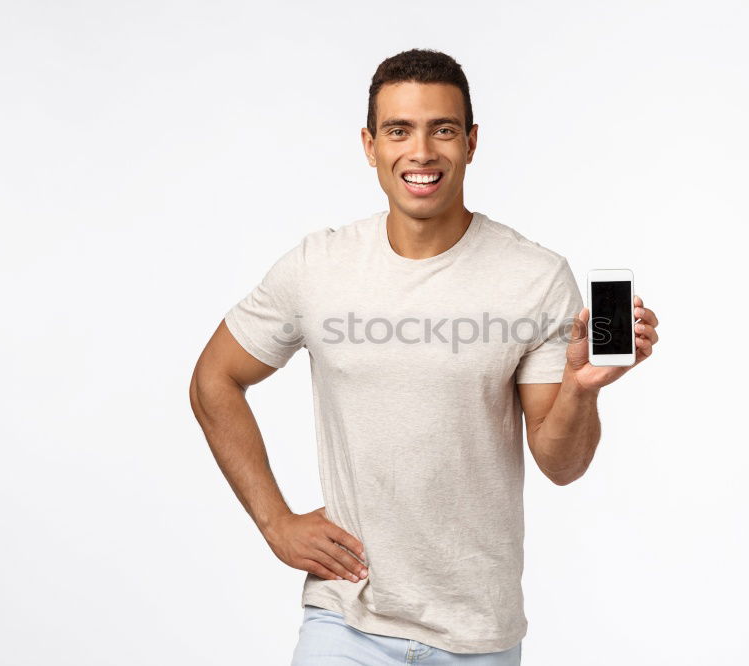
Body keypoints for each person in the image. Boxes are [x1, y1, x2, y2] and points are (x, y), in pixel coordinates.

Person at [189, 47, 659, 665]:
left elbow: (561, 463)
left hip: (477, 637)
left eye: (442, 129)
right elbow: (214, 380)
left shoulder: (535, 277)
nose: (421, 152)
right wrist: (275, 521)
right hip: (346, 620)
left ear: (470, 141)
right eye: (398, 130)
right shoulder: (319, 267)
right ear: (369, 144)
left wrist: (582, 386)